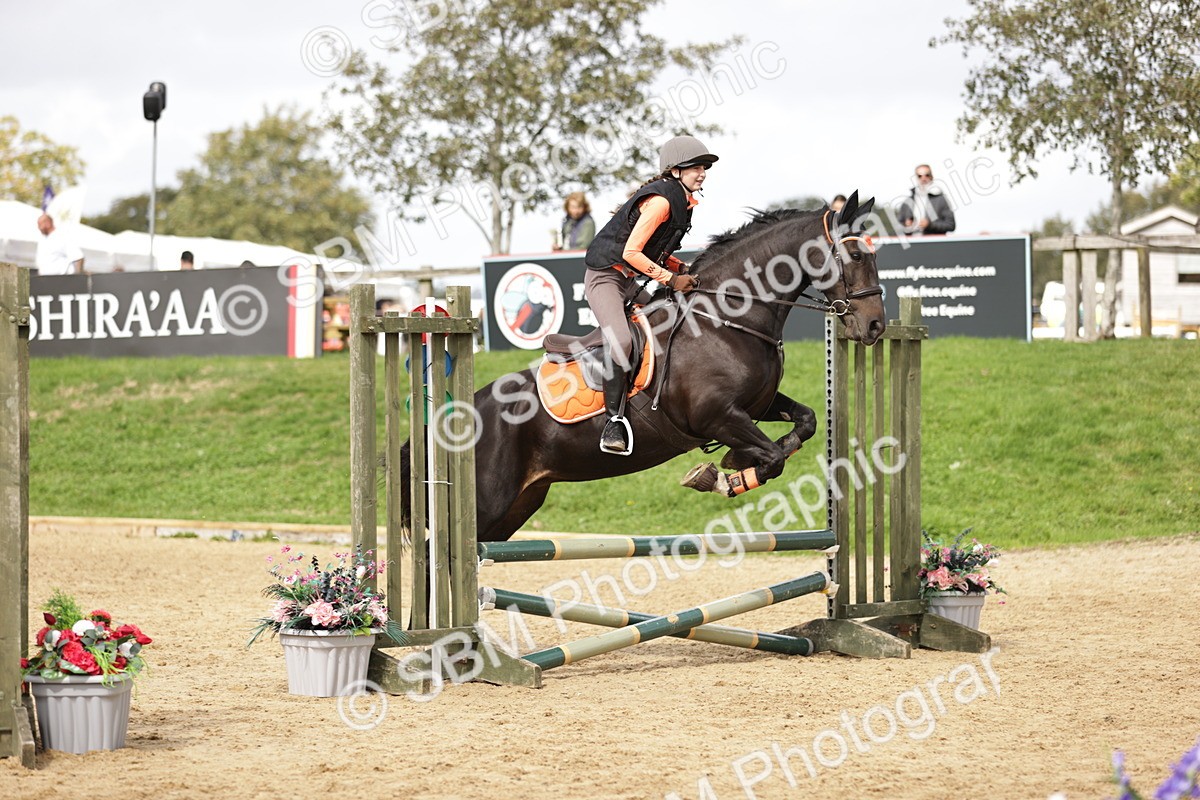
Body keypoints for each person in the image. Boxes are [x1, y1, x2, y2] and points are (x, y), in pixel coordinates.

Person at [582, 134, 714, 455]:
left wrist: (681, 268)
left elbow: (657, 251)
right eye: (695, 167)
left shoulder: (683, 201)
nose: (702, 173)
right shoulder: (662, 202)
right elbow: (631, 252)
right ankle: (613, 423)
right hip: (605, 279)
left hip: (629, 281)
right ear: (675, 171)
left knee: (677, 316)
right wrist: (671, 279)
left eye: (704, 168)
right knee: (622, 341)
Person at [898, 164, 956, 235]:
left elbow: (950, 225)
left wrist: (930, 225)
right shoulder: (908, 201)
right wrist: (906, 225)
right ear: (916, 178)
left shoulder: (941, 200)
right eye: (920, 176)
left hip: (933, 241)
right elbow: (898, 226)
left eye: (927, 175)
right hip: (913, 240)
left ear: (931, 177)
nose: (923, 178)